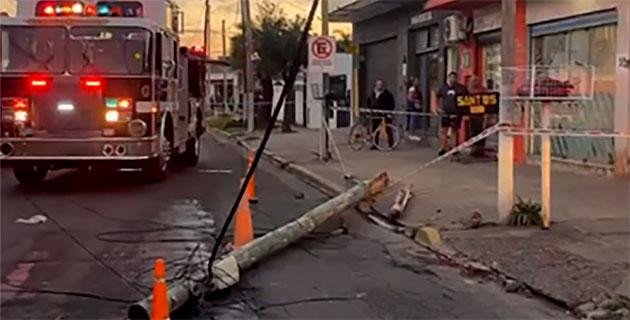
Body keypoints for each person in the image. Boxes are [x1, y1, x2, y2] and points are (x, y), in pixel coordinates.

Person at [436, 71, 468, 156]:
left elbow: (467, 99)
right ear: (448, 78)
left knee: (454, 130)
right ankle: (443, 148)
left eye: (454, 77)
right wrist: (438, 108)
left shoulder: (461, 88)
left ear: (456, 79)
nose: (452, 79)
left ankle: (454, 149)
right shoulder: (444, 88)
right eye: (451, 77)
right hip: (446, 112)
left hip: (456, 113)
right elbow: (437, 96)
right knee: (444, 130)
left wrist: (464, 111)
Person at [367, 79, 396, 149]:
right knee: (375, 128)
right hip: (375, 113)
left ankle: (391, 144)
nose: (379, 86)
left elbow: (392, 103)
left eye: (380, 84)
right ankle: (375, 144)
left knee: (388, 128)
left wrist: (389, 112)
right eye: (378, 84)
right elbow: (369, 101)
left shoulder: (387, 94)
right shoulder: (372, 93)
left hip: (385, 112)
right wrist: (369, 110)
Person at [467, 75, 488, 157]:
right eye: (472, 81)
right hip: (471, 115)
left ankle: (480, 150)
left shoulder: (483, 90)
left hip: (481, 115)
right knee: (472, 132)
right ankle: (474, 149)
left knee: (482, 132)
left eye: (476, 81)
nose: (474, 83)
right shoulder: (468, 90)